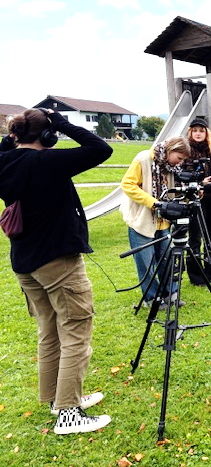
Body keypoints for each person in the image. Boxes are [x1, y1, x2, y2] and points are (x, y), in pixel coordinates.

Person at [0, 108, 113, 434]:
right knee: (76, 330)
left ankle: (57, 398)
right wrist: (61, 122)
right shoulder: (48, 162)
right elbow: (100, 148)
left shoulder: (5, 161)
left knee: (49, 332)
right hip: (58, 262)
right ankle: (69, 413)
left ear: (16, 135)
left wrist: (15, 137)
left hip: (25, 263)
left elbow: (7, 146)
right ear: (48, 136)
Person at [120, 137, 190, 306]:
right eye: (179, 158)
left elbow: (173, 191)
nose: (179, 163)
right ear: (171, 150)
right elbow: (128, 185)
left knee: (167, 259)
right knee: (146, 263)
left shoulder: (170, 167)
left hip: (163, 222)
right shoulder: (143, 159)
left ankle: (170, 294)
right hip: (142, 221)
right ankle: (152, 298)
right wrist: (154, 202)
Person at [182, 118, 211, 286]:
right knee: (195, 239)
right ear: (190, 132)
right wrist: (200, 183)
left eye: (201, 130)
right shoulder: (186, 150)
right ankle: (196, 276)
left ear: (206, 133)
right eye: (195, 130)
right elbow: (183, 176)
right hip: (195, 199)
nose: (198, 134)